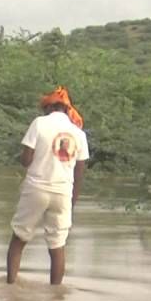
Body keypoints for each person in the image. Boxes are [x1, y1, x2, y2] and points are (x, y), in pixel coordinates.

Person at [6, 87, 89, 286]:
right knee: (57, 245)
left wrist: (25, 157)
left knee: (19, 239)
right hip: (63, 193)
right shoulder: (79, 133)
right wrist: (72, 202)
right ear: (66, 109)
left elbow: (26, 160)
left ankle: (10, 287)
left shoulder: (39, 123)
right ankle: (56, 297)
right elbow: (79, 174)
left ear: (50, 107)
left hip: (37, 188)